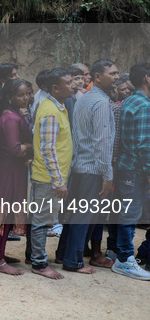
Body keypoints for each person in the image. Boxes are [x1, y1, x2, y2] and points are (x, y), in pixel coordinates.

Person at [55, 60, 119, 274]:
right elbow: (102, 143)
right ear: (97, 76)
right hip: (92, 168)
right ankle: (72, 261)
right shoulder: (100, 103)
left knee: (76, 214)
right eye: (112, 73)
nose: (117, 77)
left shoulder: (85, 98)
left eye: (117, 73)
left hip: (80, 166)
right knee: (83, 215)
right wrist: (107, 173)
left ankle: (63, 253)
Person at [29, 68, 74, 280]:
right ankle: (39, 263)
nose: (74, 85)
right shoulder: (50, 111)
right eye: (69, 81)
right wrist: (58, 181)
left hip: (51, 176)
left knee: (42, 219)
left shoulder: (57, 106)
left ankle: (34, 256)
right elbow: (48, 149)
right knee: (42, 221)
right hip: (47, 178)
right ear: (55, 88)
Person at [0, 79, 33, 276]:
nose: (26, 98)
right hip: (8, 171)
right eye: (21, 95)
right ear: (9, 97)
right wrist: (32, 146)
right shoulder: (10, 118)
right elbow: (16, 148)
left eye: (27, 94)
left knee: (5, 212)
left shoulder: (12, 114)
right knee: (4, 213)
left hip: (12, 170)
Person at [111, 62, 150, 280]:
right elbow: (145, 145)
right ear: (147, 78)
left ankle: (120, 254)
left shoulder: (130, 100)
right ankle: (125, 260)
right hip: (136, 170)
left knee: (124, 212)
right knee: (130, 214)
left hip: (126, 167)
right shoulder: (144, 105)